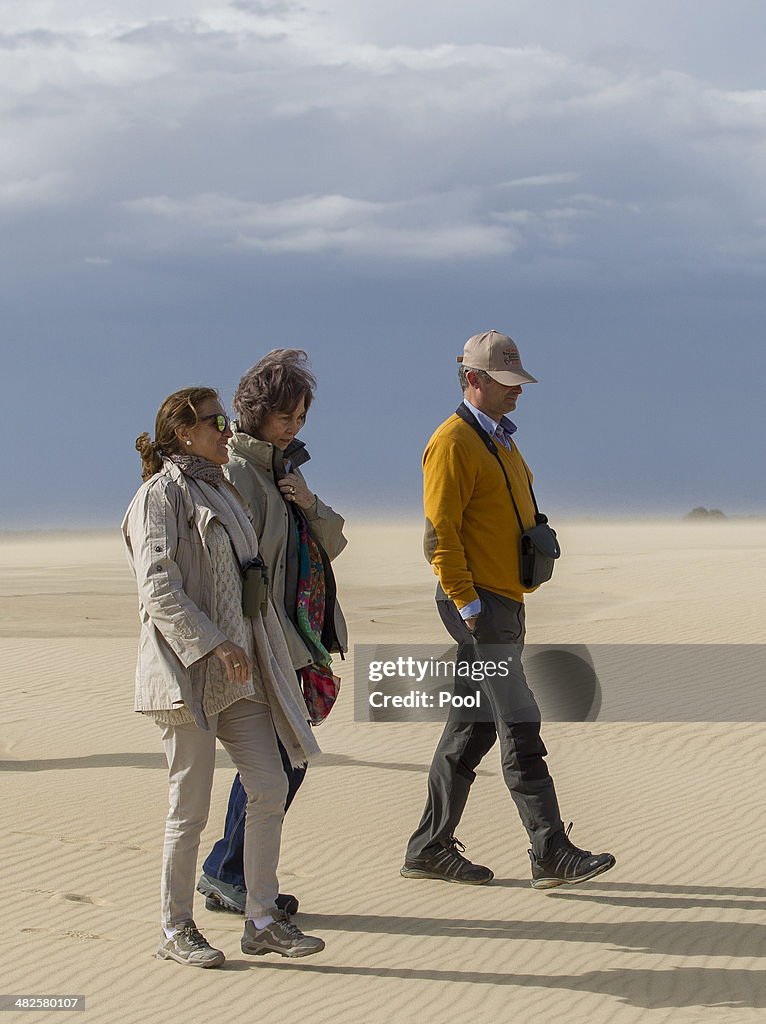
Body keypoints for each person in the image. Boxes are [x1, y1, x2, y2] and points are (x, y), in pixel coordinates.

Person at [401, 331, 616, 889]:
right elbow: (439, 533)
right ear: (473, 379)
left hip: (503, 602)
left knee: (470, 729)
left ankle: (428, 847)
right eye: (506, 382)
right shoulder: (452, 442)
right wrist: (468, 605)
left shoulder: (502, 441)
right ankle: (550, 851)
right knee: (520, 723)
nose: (517, 392)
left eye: (519, 382)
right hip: (477, 605)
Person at [123, 386, 326, 967]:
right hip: (186, 673)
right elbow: (158, 587)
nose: (226, 429)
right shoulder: (158, 497)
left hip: (240, 673)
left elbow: (249, 582)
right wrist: (212, 645)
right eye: (214, 421)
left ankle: (261, 919)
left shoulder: (224, 489)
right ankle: (176, 928)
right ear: (183, 431)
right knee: (189, 807)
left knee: (270, 783)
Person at [197, 351, 348, 916]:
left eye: (302, 417)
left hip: (294, 635)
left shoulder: (285, 470)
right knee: (277, 762)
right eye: (286, 416)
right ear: (257, 413)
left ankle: (229, 870)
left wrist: (308, 502)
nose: (295, 426)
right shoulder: (239, 470)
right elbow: (233, 566)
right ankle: (228, 871)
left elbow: (331, 543)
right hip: (263, 640)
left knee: (281, 762)